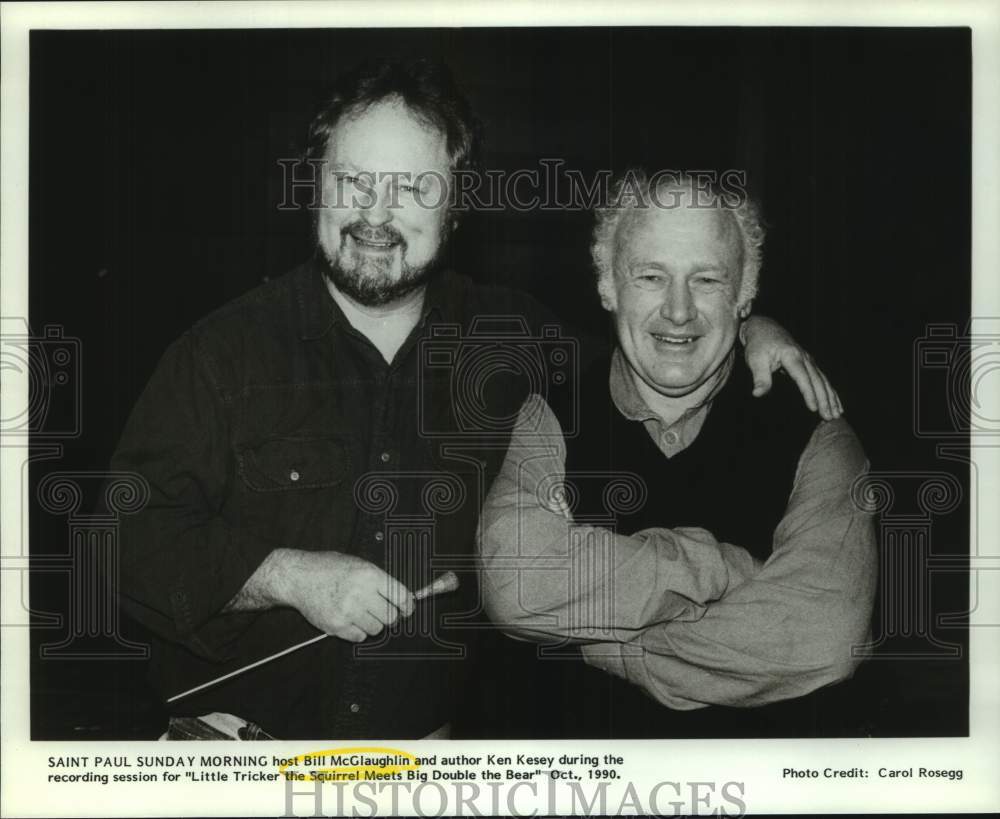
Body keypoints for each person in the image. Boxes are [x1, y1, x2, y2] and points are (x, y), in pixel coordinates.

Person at [111, 58, 844, 740]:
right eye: (354, 181)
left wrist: (751, 327)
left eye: (411, 188)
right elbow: (121, 539)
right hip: (229, 754)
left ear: (457, 207)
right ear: (315, 185)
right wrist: (291, 574)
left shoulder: (516, 337)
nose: (376, 213)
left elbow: (658, 346)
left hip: (432, 771)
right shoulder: (219, 354)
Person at [477, 172, 877, 738]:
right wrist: (722, 568)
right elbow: (518, 587)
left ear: (744, 296)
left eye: (707, 279)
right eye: (650, 276)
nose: (679, 311)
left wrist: (603, 643)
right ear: (609, 286)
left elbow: (823, 640)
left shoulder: (819, 430)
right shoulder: (548, 416)